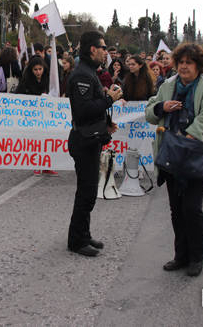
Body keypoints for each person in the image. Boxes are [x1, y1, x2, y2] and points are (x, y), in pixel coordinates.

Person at [145, 43, 203, 277]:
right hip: (171, 154)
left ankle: (196, 257)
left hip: (195, 154)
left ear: (198, 65)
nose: (183, 66)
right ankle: (180, 255)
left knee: (192, 208)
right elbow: (150, 111)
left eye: (188, 63)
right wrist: (162, 106)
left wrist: (188, 136)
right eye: (180, 62)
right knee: (176, 210)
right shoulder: (169, 84)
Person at [66, 31, 122, 257]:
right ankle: (76, 241)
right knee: (86, 192)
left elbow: (91, 109)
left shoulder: (90, 72)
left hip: (92, 138)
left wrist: (106, 124)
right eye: (103, 48)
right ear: (92, 49)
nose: (106, 52)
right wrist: (110, 99)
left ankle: (84, 234)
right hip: (84, 142)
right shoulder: (82, 75)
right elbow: (83, 111)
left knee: (88, 192)